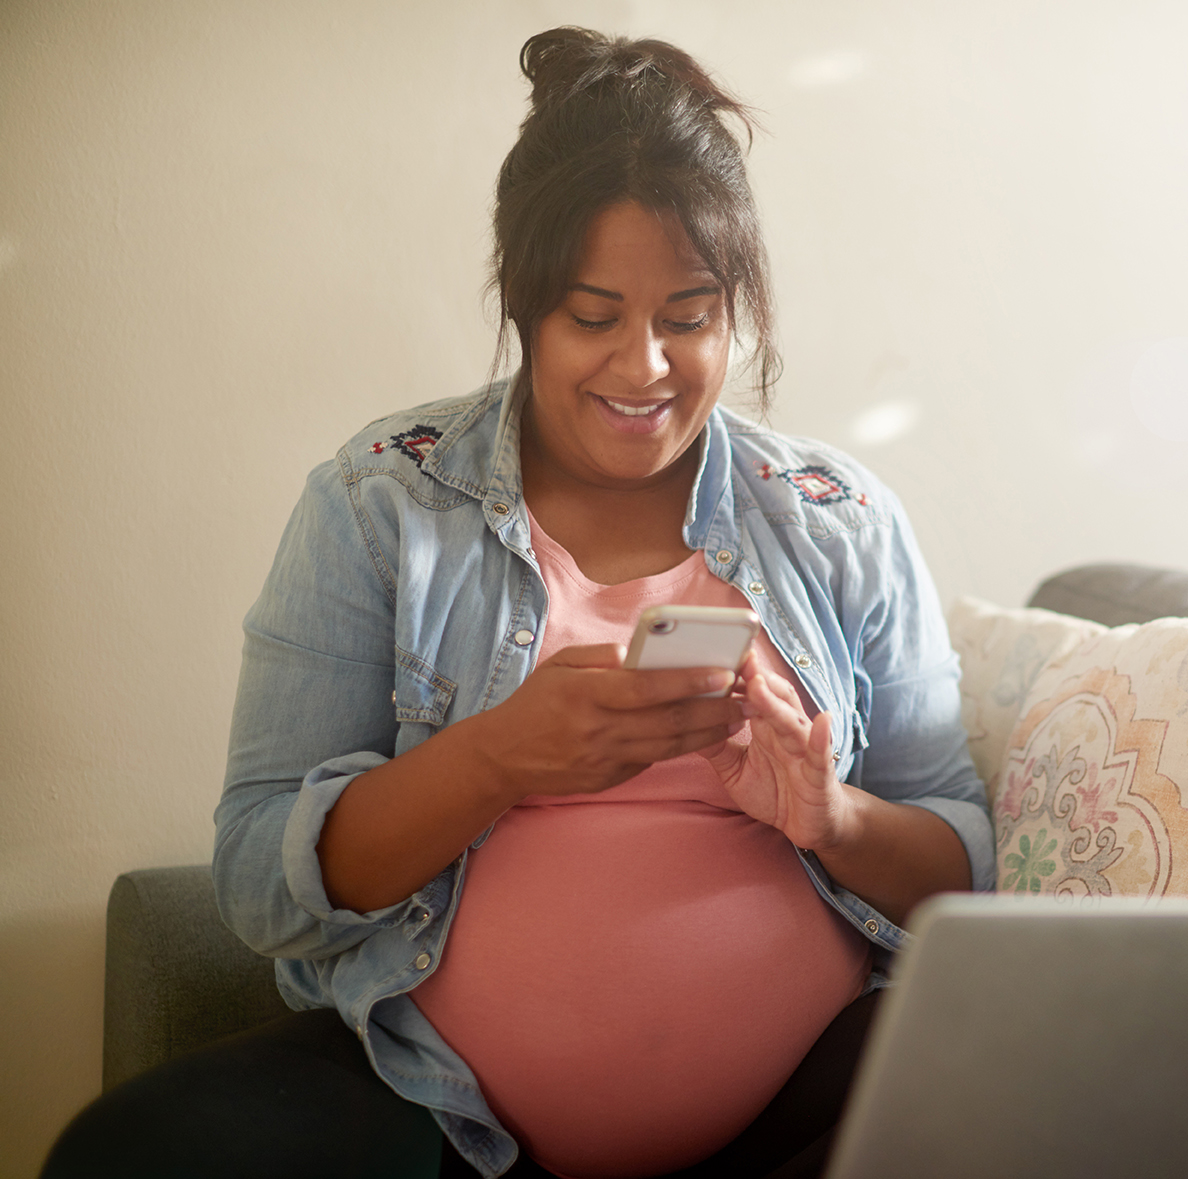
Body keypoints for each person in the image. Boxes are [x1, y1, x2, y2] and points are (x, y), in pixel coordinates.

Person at [42, 27, 992, 1179]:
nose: (642, 366)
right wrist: (498, 758)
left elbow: (962, 869)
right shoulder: (379, 502)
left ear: (733, 311)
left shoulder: (838, 518)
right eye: (593, 316)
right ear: (525, 300)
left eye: (686, 318)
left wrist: (825, 815)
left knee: (1034, 1090)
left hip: (801, 1112)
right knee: (124, 1155)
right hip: (434, 1111)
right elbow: (258, 883)